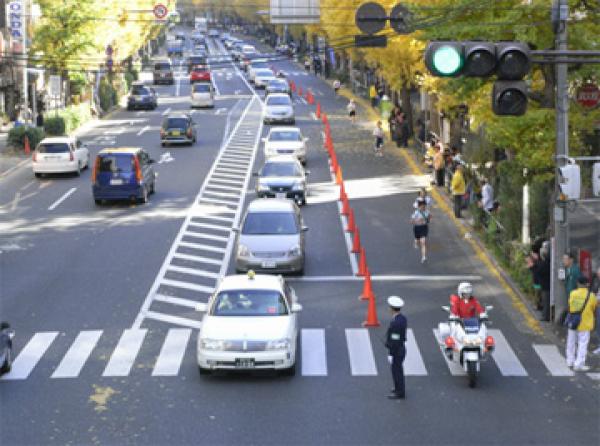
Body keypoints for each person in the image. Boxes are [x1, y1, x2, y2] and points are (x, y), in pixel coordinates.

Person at [566, 275, 596, 371]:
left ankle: (570, 361)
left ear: (578, 284)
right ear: (587, 284)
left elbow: (570, 305)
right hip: (585, 323)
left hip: (573, 321)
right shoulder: (591, 296)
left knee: (571, 342)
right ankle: (579, 364)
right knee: (582, 343)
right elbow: (594, 307)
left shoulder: (573, 293)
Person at [385, 296, 407, 400]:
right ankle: (398, 388)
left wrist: (390, 352)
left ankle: (399, 392)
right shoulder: (401, 318)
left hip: (397, 351)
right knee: (397, 370)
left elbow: (395, 340)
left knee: (396, 371)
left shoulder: (396, 323)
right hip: (401, 348)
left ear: (392, 308)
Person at [411, 198, 431, 263]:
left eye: (424, 206)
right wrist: (418, 220)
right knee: (417, 240)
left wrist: (427, 220)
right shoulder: (416, 213)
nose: (423, 207)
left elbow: (430, 218)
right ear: (419, 206)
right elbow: (411, 221)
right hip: (417, 228)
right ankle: (416, 242)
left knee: (423, 242)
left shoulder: (427, 212)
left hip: (424, 228)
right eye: (422, 206)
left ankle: (424, 257)